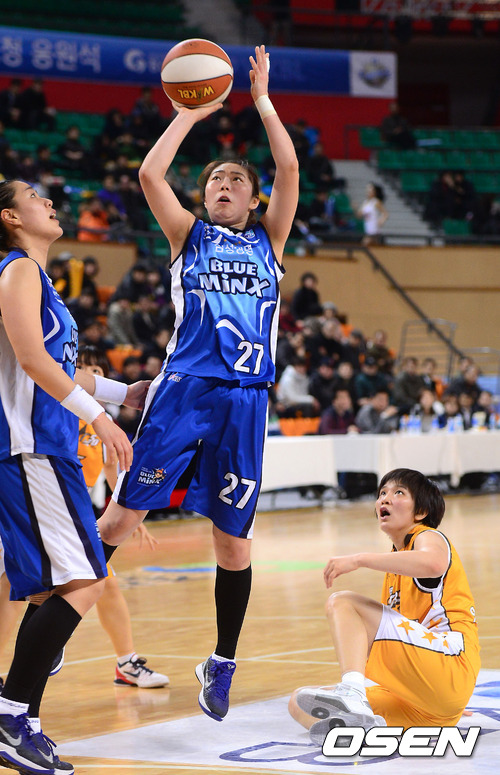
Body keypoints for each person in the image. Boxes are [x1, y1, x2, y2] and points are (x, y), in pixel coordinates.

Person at [96, 45, 299, 723]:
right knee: (120, 520)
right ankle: (53, 616)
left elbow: (289, 167)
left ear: (253, 197)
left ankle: (222, 659)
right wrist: (190, 111)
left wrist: (261, 100)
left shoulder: (270, 241)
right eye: (215, 179)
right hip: (183, 390)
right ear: (205, 195)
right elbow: (150, 174)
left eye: (236, 179)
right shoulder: (189, 236)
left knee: (233, 542)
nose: (224, 185)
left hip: (245, 401)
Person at [0, 178, 148, 774]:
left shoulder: (40, 280)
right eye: (34, 196)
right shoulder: (17, 270)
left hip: (46, 449)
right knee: (86, 581)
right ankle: (11, 714)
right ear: (10, 217)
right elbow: (32, 359)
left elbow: (63, 368)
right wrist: (100, 420)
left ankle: (23, 719)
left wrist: (122, 393)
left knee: (54, 591)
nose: (49, 201)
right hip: (31, 448)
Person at [289, 468, 480, 746]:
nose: (385, 499)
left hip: (451, 666)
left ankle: (352, 692)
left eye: (398, 492)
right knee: (300, 702)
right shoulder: (396, 564)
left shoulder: (427, 536)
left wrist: (359, 559)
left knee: (343, 602)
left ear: (421, 511)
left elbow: (434, 563)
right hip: (426, 700)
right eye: (382, 493)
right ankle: (360, 728)